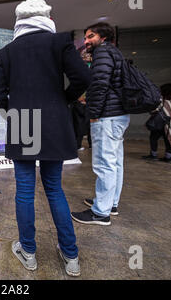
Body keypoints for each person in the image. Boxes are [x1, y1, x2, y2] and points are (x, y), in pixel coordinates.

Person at [0, 0, 92, 277]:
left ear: (18, 20)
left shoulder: (6, 52)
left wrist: (12, 115)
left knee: (24, 189)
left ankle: (29, 252)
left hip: (23, 121)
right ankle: (70, 256)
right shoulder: (60, 42)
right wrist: (64, 100)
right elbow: (84, 79)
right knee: (54, 188)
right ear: (46, 16)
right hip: (53, 122)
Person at [71, 22, 130, 226]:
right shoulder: (115, 53)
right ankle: (110, 203)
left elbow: (99, 85)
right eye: (86, 37)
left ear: (103, 38)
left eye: (91, 36)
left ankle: (100, 212)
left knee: (104, 164)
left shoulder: (103, 54)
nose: (86, 41)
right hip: (118, 115)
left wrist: (94, 114)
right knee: (114, 162)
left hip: (107, 116)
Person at [142, 83, 171, 162]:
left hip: (162, 122)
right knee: (168, 139)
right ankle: (168, 157)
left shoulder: (163, 99)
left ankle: (153, 155)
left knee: (153, 138)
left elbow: (155, 110)